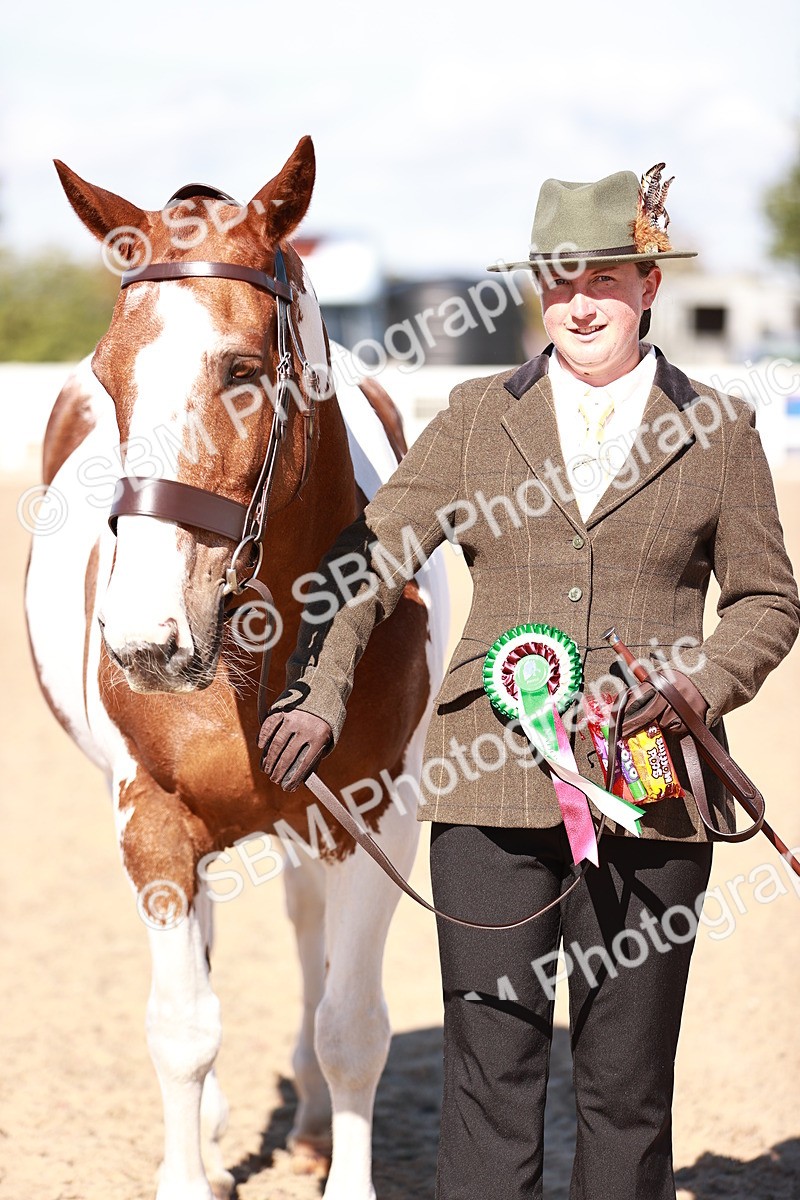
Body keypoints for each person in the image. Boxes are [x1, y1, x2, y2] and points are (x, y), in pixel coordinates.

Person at [258, 165, 800, 1200]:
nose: (579, 301)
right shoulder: (471, 418)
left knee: (624, 1085)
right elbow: (365, 559)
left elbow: (767, 603)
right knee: (489, 1077)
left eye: (602, 276)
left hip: (652, 790)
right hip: (486, 793)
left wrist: (698, 685)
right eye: (558, 280)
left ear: (647, 285)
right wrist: (320, 689)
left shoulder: (719, 430)